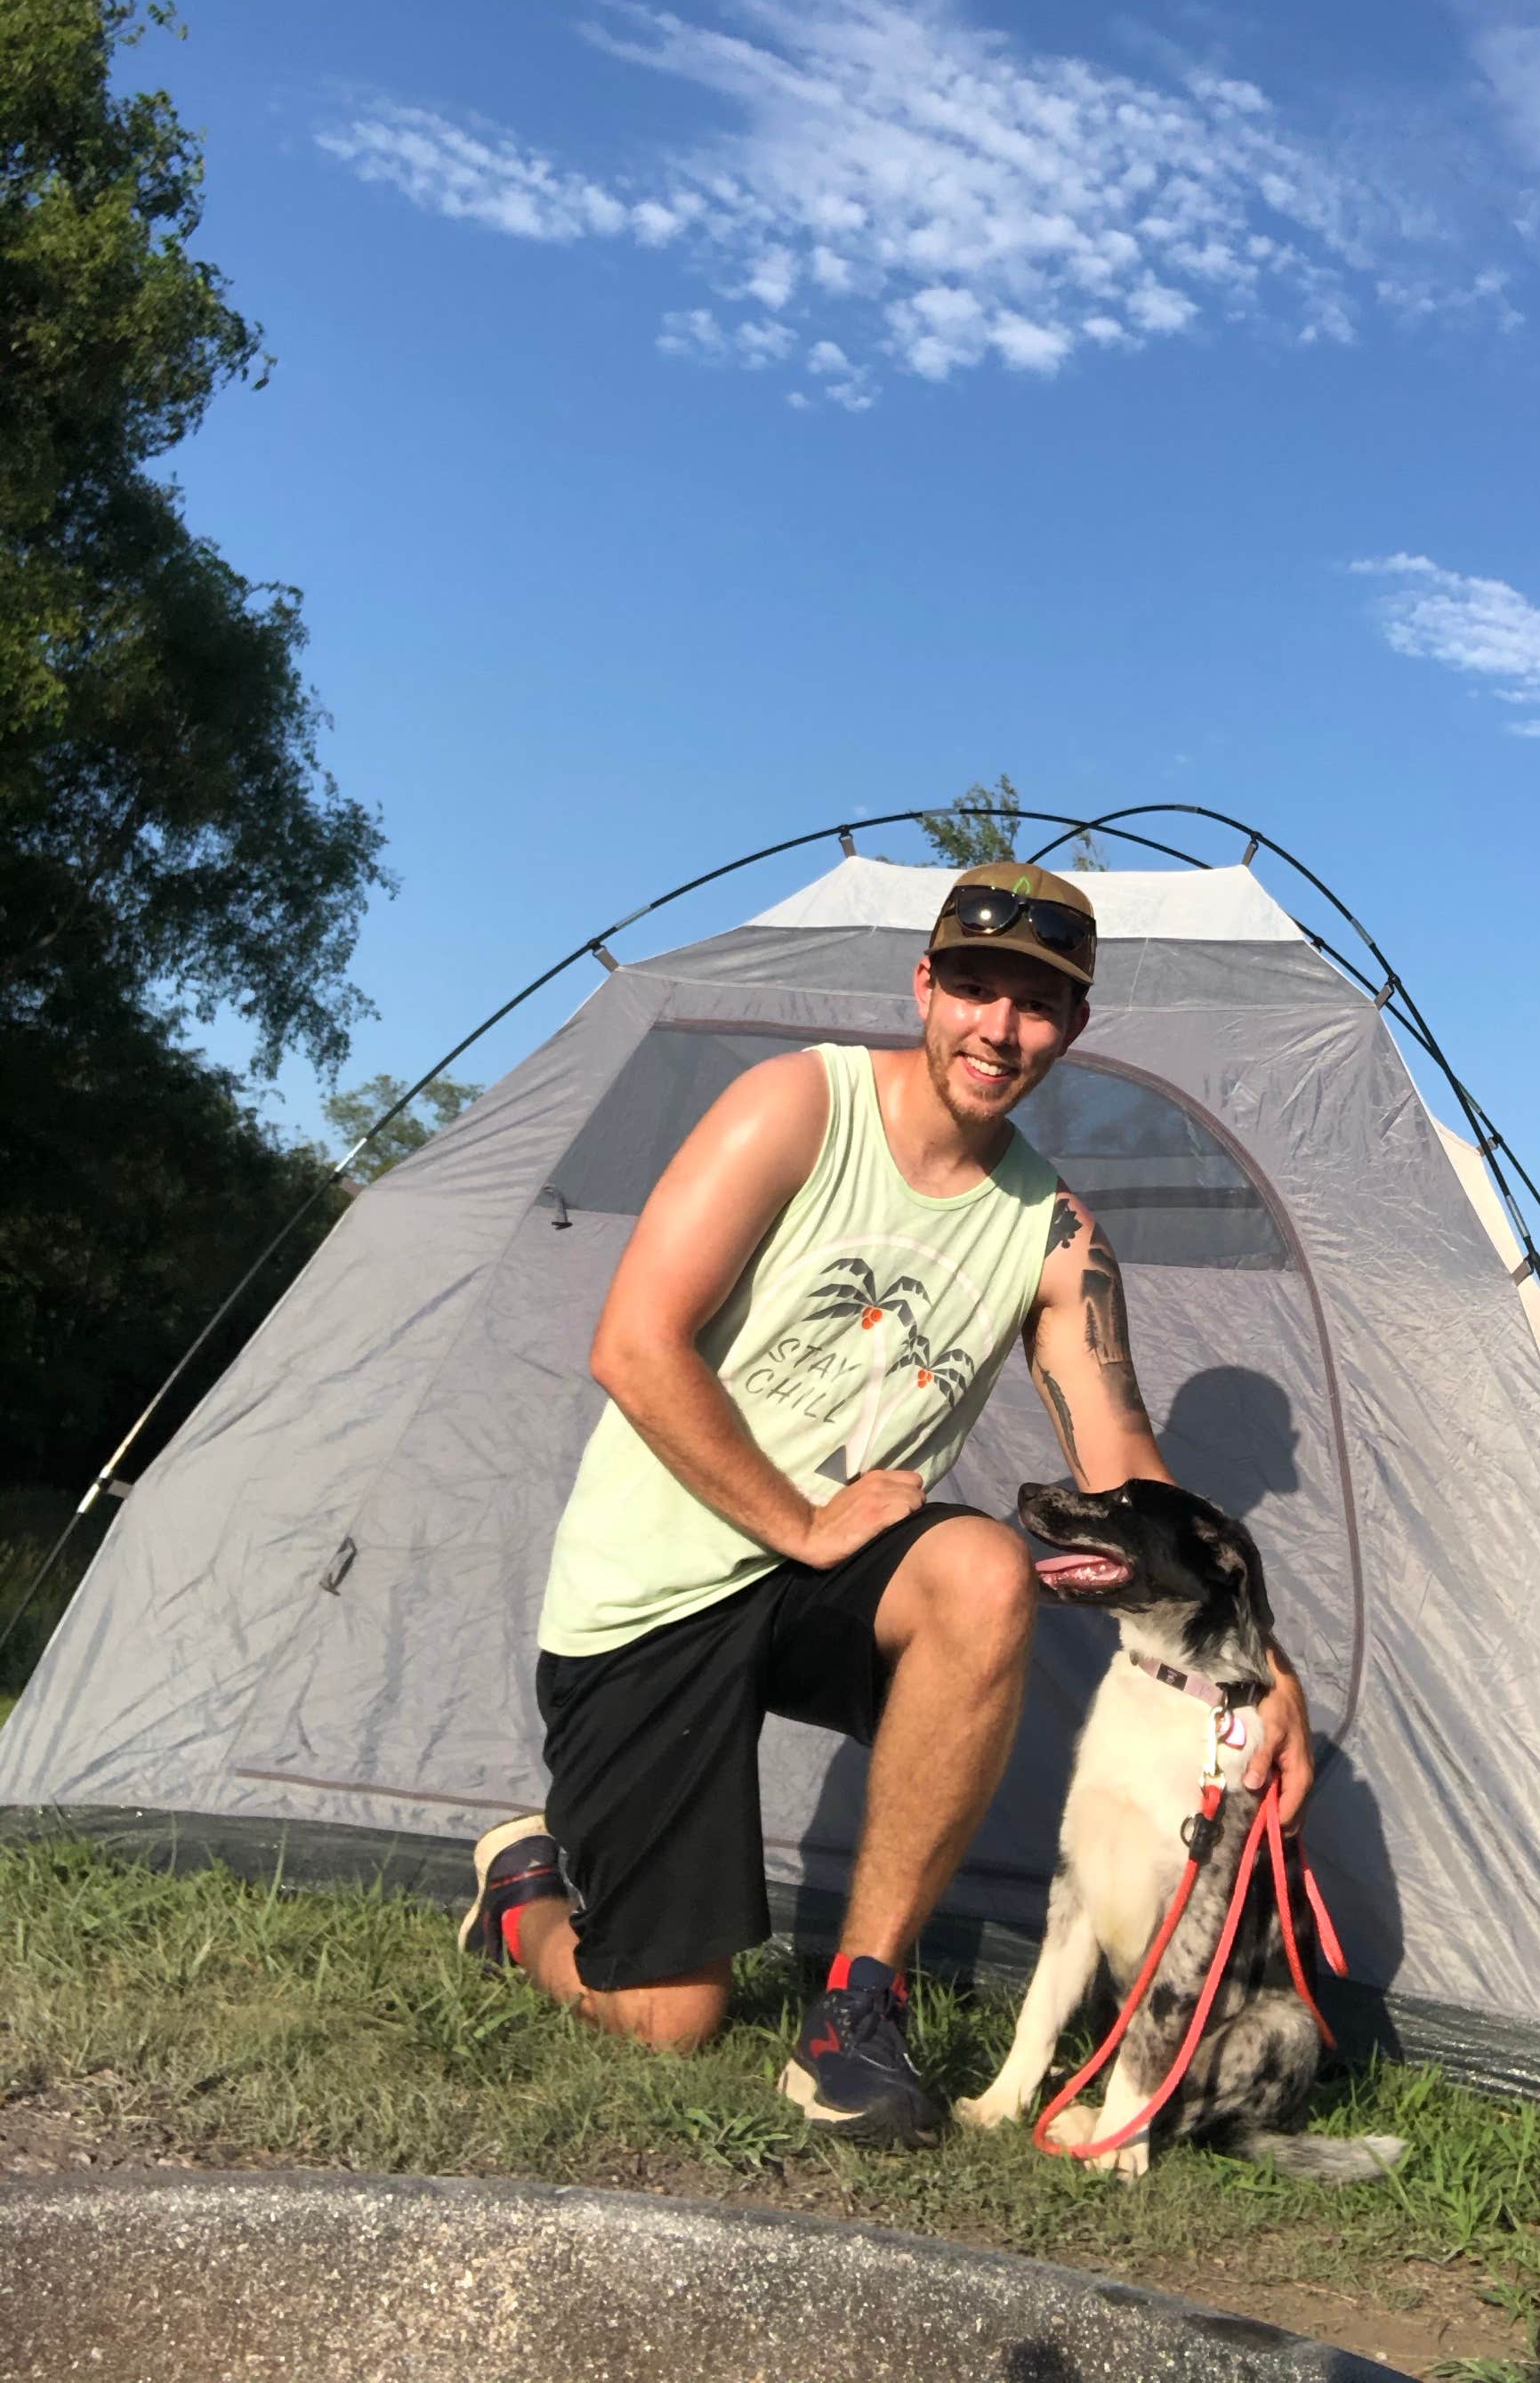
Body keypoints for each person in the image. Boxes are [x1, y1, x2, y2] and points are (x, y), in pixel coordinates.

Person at [461, 860, 1314, 2148]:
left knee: (983, 1569)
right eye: (974, 988)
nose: (999, 1028)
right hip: (652, 1596)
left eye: (1036, 1005)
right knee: (669, 2018)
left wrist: (1258, 1675)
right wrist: (799, 1521)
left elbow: (1125, 1471)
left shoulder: (1055, 1234)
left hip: (820, 1588)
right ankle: (523, 1890)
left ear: (1072, 1028)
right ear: (924, 985)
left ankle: (857, 2010)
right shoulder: (794, 1107)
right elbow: (636, 1346)